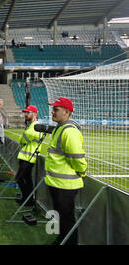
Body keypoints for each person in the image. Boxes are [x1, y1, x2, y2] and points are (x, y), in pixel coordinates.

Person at [45, 97, 87, 245]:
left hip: (65, 185)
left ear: (67, 112)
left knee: (67, 219)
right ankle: (61, 240)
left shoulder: (69, 132)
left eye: (56, 109)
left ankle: (69, 242)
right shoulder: (60, 128)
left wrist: (82, 171)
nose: (53, 111)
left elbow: (77, 158)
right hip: (57, 183)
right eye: (53, 109)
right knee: (61, 217)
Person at [15, 105, 41, 207]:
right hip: (27, 157)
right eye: (25, 112)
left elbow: (23, 139)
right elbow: (24, 138)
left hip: (28, 158)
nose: (25, 114)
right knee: (27, 179)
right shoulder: (32, 126)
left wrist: (23, 137)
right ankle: (27, 200)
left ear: (34, 114)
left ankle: (27, 200)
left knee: (19, 178)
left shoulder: (35, 126)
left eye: (28, 112)